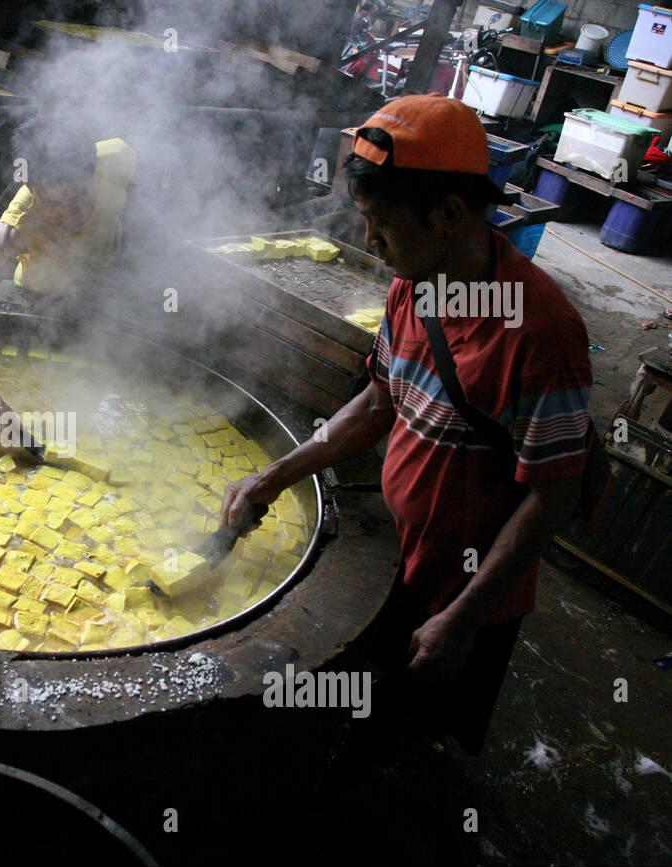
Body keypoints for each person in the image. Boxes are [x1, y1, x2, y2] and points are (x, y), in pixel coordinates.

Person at [220, 95, 593, 754]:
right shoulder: (411, 285)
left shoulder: (542, 332)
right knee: (361, 714)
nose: (368, 241)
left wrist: (464, 616)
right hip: (397, 558)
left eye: (382, 222)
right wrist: (272, 478)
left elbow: (553, 492)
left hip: (468, 589)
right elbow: (375, 403)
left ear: (449, 214)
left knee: (420, 743)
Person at [0, 133, 136, 442]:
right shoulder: (17, 227)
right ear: (31, 190)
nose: (70, 214)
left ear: (93, 171)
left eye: (80, 197)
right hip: (40, 295)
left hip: (102, 281)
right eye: (54, 203)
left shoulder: (119, 158)